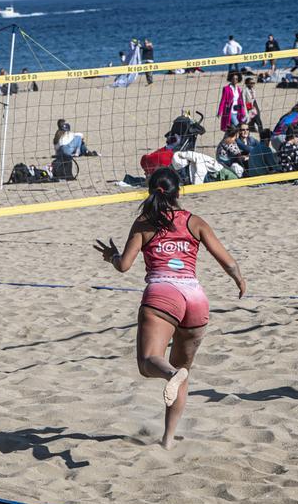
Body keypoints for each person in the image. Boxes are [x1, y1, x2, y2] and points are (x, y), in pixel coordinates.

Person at [93, 167, 245, 449]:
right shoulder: (194, 221)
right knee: (183, 370)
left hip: (163, 293)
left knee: (149, 362)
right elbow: (228, 261)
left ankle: (171, 375)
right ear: (179, 191)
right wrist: (239, 280)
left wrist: (111, 256)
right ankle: (168, 440)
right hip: (196, 298)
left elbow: (124, 265)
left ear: (151, 191)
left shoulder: (144, 222)